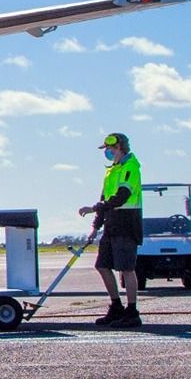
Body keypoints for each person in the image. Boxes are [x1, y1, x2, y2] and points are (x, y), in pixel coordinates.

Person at [79, 132, 144, 328]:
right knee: (102, 265)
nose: (107, 152)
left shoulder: (130, 167)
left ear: (120, 148)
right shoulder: (111, 171)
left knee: (126, 269)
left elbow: (121, 197)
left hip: (127, 222)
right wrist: (95, 226)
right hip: (111, 223)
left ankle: (132, 311)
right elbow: (104, 200)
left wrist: (94, 209)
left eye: (110, 149)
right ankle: (116, 306)